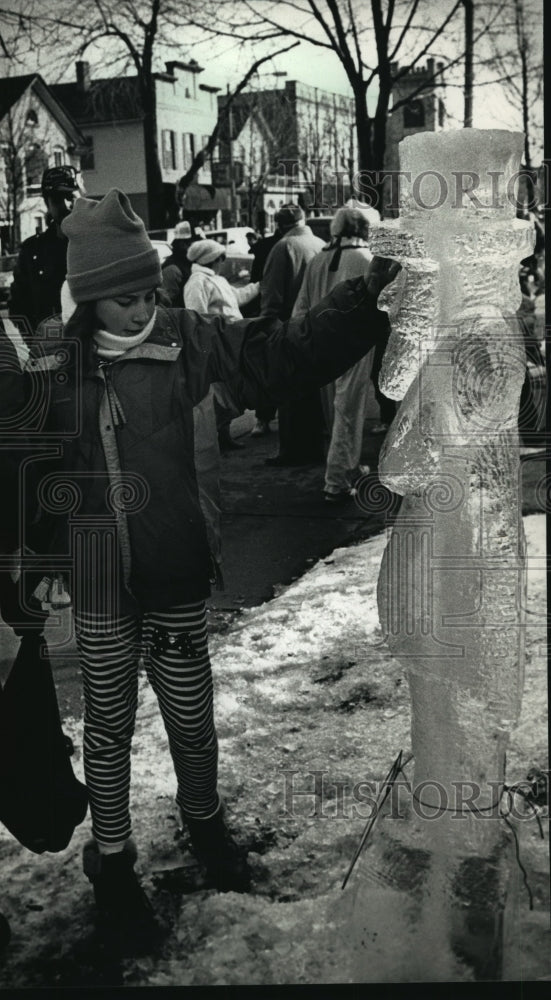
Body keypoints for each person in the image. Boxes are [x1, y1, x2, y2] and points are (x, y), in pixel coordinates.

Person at [16, 189, 399, 953]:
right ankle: (114, 861)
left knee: (190, 719)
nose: (140, 310)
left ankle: (204, 822)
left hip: (177, 564)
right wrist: (40, 558)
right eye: (122, 298)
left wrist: (366, 295)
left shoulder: (190, 338)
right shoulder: (60, 362)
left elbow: (282, 352)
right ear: (90, 299)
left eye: (146, 291)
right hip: (96, 577)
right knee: (109, 725)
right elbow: (36, 465)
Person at [293, 206, 380, 501]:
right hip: (352, 345)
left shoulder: (318, 260)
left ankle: (348, 467)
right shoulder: (366, 260)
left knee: (334, 413)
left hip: (319, 343)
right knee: (348, 410)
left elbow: (301, 308)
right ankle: (336, 481)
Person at [260, 204, 326, 466]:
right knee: (313, 394)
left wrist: (267, 330)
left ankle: (290, 451)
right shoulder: (320, 243)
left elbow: (272, 295)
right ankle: (313, 447)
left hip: (289, 328)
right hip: (318, 327)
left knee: (288, 393)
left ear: (279, 225)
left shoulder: (283, 248)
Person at [184, 238, 260, 452]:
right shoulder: (197, 282)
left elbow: (237, 297)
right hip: (216, 345)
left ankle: (223, 435)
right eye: (221, 257)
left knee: (230, 391)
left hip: (230, 342)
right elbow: (196, 315)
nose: (223, 261)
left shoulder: (217, 280)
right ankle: (210, 437)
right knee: (220, 394)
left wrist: (259, 286)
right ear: (212, 259)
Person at [8, 165, 80, 337]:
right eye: (56, 199)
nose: (65, 205)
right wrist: (35, 341)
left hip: (96, 352)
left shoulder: (98, 242)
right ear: (47, 203)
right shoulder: (34, 251)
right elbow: (18, 305)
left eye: (70, 196)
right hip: (51, 352)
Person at [244, 227, 283, 434]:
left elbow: (255, 279)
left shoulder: (265, 246)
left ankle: (263, 419)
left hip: (267, 312)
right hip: (279, 314)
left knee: (268, 369)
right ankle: (264, 418)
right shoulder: (282, 245)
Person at [159, 220, 198, 306]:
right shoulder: (172, 269)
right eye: (194, 243)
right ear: (183, 244)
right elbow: (164, 305)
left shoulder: (189, 264)